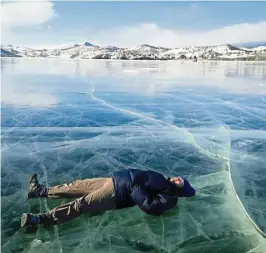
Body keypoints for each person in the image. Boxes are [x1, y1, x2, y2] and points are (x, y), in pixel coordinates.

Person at [21, 169, 195, 227]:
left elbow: (150, 206)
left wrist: (134, 188)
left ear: (181, 191)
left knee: (80, 205)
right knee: (75, 186)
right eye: (181, 178)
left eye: (182, 182)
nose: (179, 179)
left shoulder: (170, 197)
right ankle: (39, 191)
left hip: (118, 194)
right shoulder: (164, 181)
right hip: (113, 181)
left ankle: (39, 219)